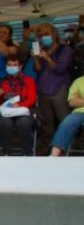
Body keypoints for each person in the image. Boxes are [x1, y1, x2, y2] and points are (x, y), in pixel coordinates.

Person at [33, 23, 72, 154]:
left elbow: (60, 69)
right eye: (41, 35)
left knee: (64, 120)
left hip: (59, 88)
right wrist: (36, 58)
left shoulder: (64, 49)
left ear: (54, 34)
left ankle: (68, 148)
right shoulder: (41, 49)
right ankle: (49, 148)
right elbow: (37, 69)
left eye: (46, 34)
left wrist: (47, 58)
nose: (44, 37)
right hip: (43, 89)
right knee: (45, 121)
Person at [0, 56, 36, 156]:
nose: (12, 67)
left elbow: (32, 99)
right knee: (5, 123)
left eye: (15, 65)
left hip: (24, 110)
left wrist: (19, 105)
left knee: (24, 122)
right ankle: (6, 151)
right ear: (6, 66)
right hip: (7, 111)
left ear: (20, 66)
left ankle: (26, 152)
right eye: (9, 65)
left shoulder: (29, 80)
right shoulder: (2, 81)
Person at [49, 75, 84, 156]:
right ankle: (54, 155)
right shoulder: (78, 81)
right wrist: (77, 101)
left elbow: (77, 101)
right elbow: (72, 102)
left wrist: (80, 100)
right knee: (67, 122)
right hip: (80, 112)